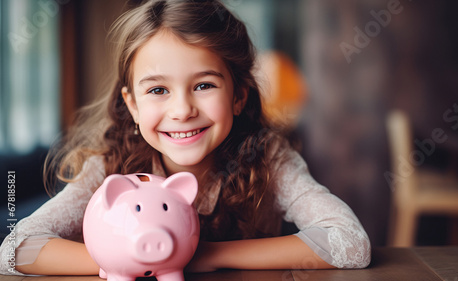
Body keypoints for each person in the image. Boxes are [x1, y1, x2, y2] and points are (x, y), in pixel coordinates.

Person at [0, 0, 371, 275]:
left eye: (204, 85)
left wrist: (204, 255)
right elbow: (14, 249)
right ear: (131, 104)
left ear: (238, 96)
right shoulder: (107, 169)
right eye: (158, 90)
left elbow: (350, 244)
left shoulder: (268, 157)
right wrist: (129, 258)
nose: (182, 110)